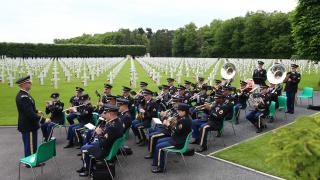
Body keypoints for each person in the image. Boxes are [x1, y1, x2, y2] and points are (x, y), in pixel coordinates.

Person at [77, 104, 123, 177]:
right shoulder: (117, 121)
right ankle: (88, 164)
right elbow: (108, 136)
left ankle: (87, 169)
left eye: (105, 113)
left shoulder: (112, 127)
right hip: (110, 146)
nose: (104, 114)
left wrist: (99, 134)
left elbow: (103, 144)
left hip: (105, 150)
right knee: (89, 144)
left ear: (110, 114)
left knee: (83, 149)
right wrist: (102, 132)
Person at [15, 75, 48, 162]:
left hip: (29, 125)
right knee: (30, 145)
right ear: (24, 84)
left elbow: (29, 109)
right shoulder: (23, 97)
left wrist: (37, 111)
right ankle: (31, 162)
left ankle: (32, 161)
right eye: (29, 82)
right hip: (28, 126)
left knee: (32, 145)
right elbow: (29, 114)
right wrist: (44, 120)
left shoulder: (25, 95)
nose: (31, 84)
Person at [151, 103, 191, 173]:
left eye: (179, 111)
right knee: (159, 141)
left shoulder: (184, 120)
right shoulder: (183, 118)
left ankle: (161, 168)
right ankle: (157, 161)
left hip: (178, 142)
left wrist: (168, 124)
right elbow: (176, 129)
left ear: (184, 112)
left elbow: (176, 130)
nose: (177, 112)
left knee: (159, 147)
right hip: (176, 138)